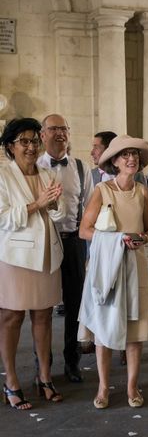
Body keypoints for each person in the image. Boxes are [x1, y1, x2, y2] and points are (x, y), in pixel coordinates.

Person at [78, 135, 148, 409]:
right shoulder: (102, 190)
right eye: (125, 155)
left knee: (135, 332)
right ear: (114, 161)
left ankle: (132, 387)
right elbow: (84, 230)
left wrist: (140, 238)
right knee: (104, 330)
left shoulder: (143, 192)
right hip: (106, 267)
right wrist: (117, 240)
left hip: (135, 265)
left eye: (134, 154)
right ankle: (103, 387)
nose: (131, 159)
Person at [0, 118, 65, 409]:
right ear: (10, 147)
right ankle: (11, 380)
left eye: (34, 141)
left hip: (46, 254)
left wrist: (52, 205)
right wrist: (38, 204)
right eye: (23, 141)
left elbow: (58, 215)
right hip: (14, 257)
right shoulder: (2, 175)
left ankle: (44, 376)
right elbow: (2, 218)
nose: (30, 147)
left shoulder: (47, 174)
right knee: (12, 316)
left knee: (44, 315)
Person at [37, 114, 93, 383]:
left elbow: (91, 206)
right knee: (42, 305)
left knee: (74, 304)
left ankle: (72, 361)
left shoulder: (81, 168)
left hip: (73, 241)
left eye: (64, 128)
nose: (59, 133)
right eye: (53, 128)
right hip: (44, 242)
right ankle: (42, 363)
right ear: (42, 134)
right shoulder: (33, 167)